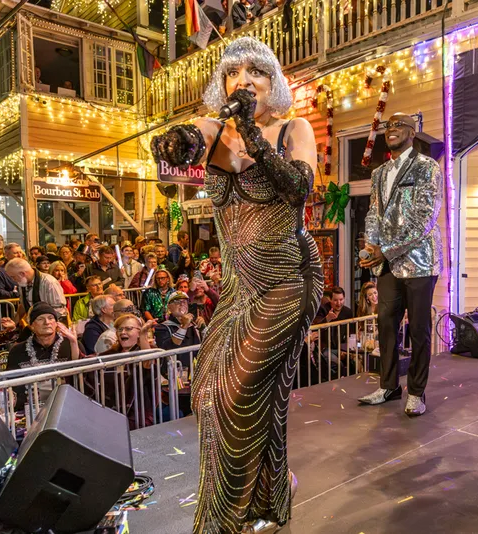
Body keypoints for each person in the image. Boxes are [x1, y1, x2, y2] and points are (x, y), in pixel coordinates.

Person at [150, 37, 323, 533]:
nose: (242, 81)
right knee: (209, 393)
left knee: (235, 394)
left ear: (273, 82)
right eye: (232, 73)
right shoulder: (216, 130)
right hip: (238, 286)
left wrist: (250, 129)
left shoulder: (294, 128)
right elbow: (193, 137)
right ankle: (270, 491)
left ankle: (226, 521)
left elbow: (299, 187)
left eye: (255, 72)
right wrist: (178, 140)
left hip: (288, 279)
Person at [358, 112, 443, 417]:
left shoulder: (427, 167)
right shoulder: (379, 172)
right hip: (387, 263)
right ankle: (389, 386)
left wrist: (387, 250)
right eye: (388, 126)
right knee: (386, 324)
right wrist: (370, 246)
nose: (391, 130)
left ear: (412, 132)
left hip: (419, 262)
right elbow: (373, 212)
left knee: (418, 329)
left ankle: (417, 392)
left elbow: (425, 217)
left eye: (398, 125)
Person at [6, 302, 81, 410]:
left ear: (56, 323)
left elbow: (81, 375)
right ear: (32, 326)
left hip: (68, 406)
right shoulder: (17, 351)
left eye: (51, 318)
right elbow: (13, 386)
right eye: (40, 319)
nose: (47, 322)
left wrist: (74, 343)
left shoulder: (71, 344)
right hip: (31, 409)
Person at [153, 291, 201, 369]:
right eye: (177, 302)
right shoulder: (162, 327)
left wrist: (203, 328)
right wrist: (184, 326)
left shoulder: (193, 326)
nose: (182, 304)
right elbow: (170, 348)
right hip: (172, 373)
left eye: (184, 302)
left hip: (192, 372)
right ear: (169, 307)